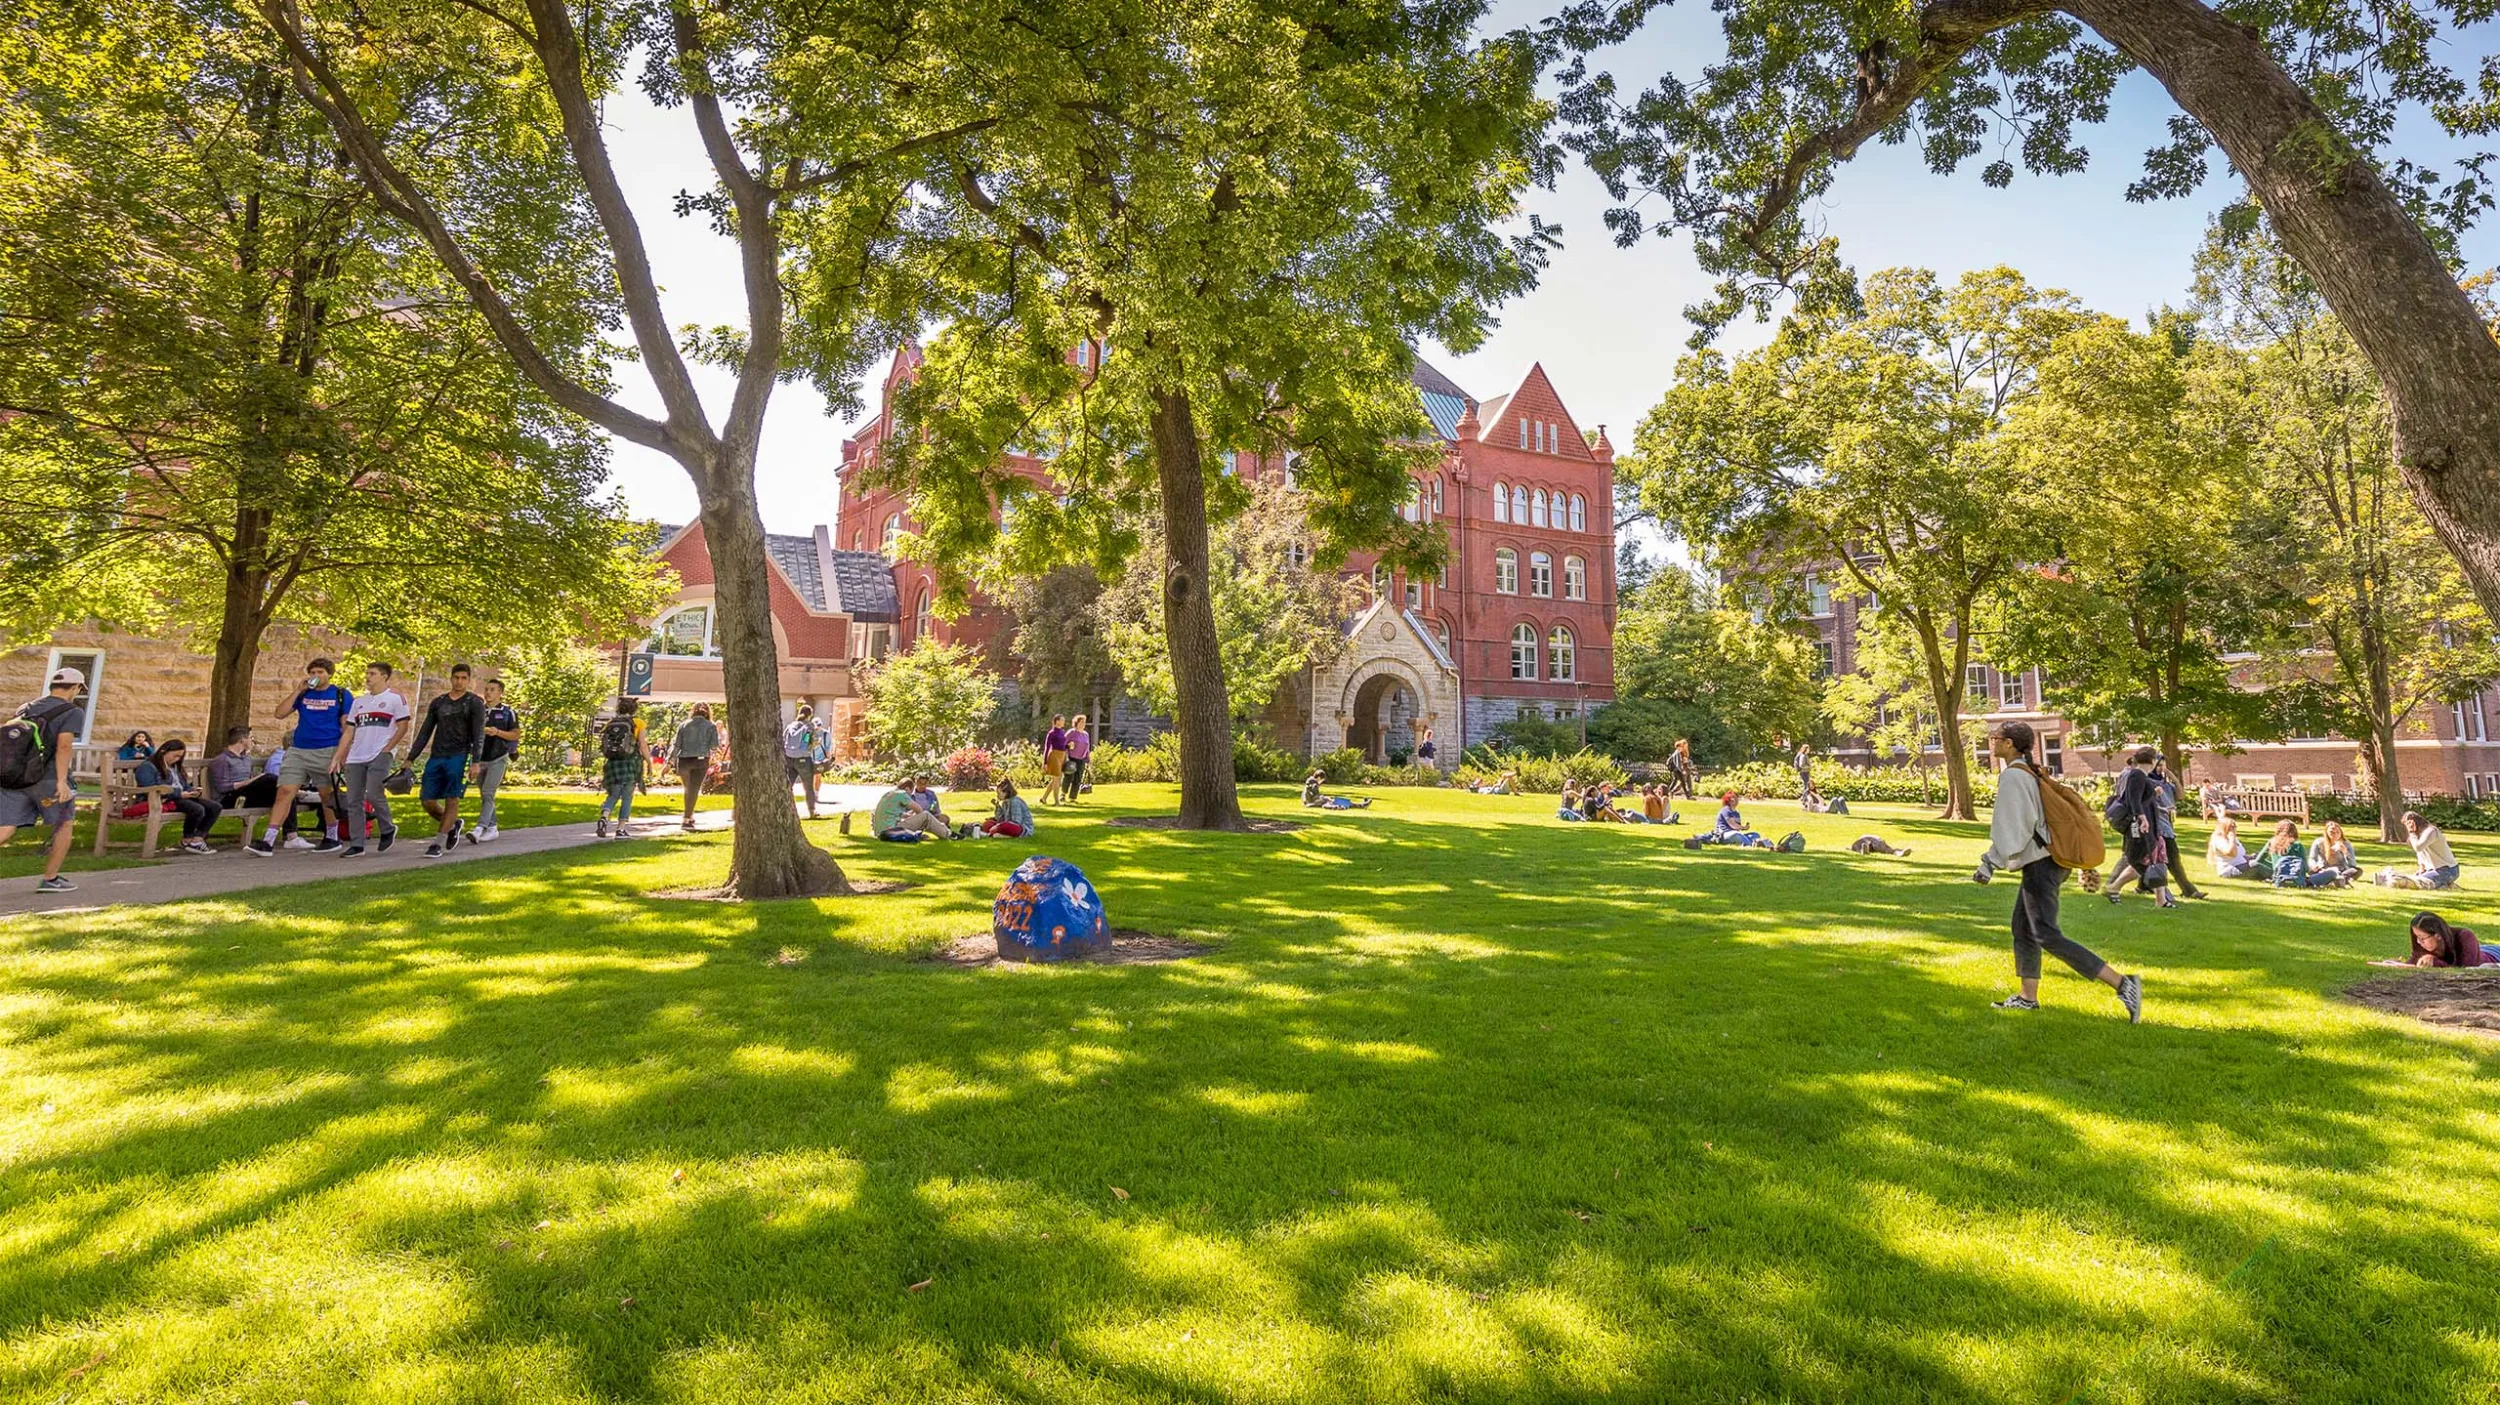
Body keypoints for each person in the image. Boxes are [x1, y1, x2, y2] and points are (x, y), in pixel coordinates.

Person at [1976, 720, 2143, 1021]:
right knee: (2023, 928)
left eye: (1996, 738)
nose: (1993, 742)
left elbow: (2013, 827)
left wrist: (1989, 864)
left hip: (2041, 864)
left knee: (2046, 934)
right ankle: (2028, 997)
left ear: (2010, 744)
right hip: (2047, 861)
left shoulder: (2014, 776)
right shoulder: (2030, 771)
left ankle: (2123, 983)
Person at [250, 658, 352, 856]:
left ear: (329, 674)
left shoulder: (341, 695)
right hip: (298, 749)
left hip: (327, 749)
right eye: (312, 672)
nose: (316, 676)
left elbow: (347, 727)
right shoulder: (304, 694)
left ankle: (331, 836)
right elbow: (279, 714)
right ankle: (268, 840)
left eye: (320, 672)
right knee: (285, 791)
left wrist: (341, 755)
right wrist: (298, 691)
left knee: (326, 795)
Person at [0, 666, 89, 891]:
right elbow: (64, 746)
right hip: (48, 779)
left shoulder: (26, 708)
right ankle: (50, 879)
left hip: (15, 777)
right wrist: (61, 781)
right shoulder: (72, 711)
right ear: (76, 688)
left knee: (6, 827)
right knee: (63, 823)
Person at [408, 663, 487, 858]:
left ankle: (438, 843)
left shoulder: (474, 702)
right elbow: (425, 730)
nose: (459, 681)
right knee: (427, 800)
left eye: (463, 678)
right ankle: (453, 824)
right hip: (437, 755)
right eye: (456, 677)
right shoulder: (439, 702)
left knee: (452, 797)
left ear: (468, 680)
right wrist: (411, 758)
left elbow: (478, 733)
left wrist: (475, 761)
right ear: (451, 679)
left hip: (459, 755)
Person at [334, 661, 410, 858]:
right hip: (356, 755)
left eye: (372, 673)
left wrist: (388, 748)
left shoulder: (395, 699)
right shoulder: (359, 702)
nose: (368, 677)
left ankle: (387, 827)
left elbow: (402, 726)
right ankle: (357, 844)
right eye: (367, 673)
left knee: (374, 793)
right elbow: (349, 730)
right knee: (354, 800)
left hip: (380, 753)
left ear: (384, 676)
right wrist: (338, 756)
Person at [2102, 747, 2177, 910]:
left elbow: (2140, 798)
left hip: (2149, 825)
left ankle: (2160, 900)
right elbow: (2134, 801)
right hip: (2142, 826)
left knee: (2153, 859)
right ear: (2152, 760)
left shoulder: (2141, 776)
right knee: (2144, 861)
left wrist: (2153, 793)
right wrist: (2142, 819)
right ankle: (2114, 887)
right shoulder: (2136, 775)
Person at [131, 738, 221, 854]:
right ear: (164, 751)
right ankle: (187, 839)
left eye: (179, 757)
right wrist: (179, 794)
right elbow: (150, 789)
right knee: (197, 809)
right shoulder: (147, 767)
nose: (176, 759)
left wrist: (192, 791)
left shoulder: (175, 767)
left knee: (215, 807)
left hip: (179, 797)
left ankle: (197, 840)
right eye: (175, 756)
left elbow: (183, 785)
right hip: (163, 800)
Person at [2148, 758, 2207, 900]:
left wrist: (2174, 778)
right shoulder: (2148, 783)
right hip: (2158, 826)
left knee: (2149, 860)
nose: (2161, 769)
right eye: (2158, 766)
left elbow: (2181, 795)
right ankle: (2189, 890)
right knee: (2172, 859)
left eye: (2163, 766)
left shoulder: (2167, 785)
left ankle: (2141, 886)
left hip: (2167, 824)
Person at [474, 676, 521, 843]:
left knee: (488, 792)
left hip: (499, 756)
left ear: (500, 693)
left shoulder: (508, 712)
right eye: (486, 689)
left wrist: (498, 732)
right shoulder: (479, 711)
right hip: (480, 758)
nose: (488, 692)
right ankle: (492, 827)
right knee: (485, 795)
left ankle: (479, 828)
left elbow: (515, 734)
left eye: (492, 690)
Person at [2375, 912, 2500, 967]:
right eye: (2417, 938)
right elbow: (2413, 962)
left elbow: (2467, 969)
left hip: (2492, 955)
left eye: (2422, 938)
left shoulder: (2464, 936)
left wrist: (2435, 962)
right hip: (2481, 949)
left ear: (2438, 935)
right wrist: (2395, 965)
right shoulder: (2423, 945)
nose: (2419, 942)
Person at [596, 700, 644, 837]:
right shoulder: (637, 723)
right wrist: (648, 761)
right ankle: (620, 829)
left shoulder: (611, 723)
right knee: (627, 797)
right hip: (629, 763)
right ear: (634, 709)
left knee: (613, 794)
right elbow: (642, 744)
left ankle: (604, 816)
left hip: (612, 763)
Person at [672, 703, 719, 831]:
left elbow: (677, 745)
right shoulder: (711, 726)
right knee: (694, 789)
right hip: (701, 760)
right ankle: (686, 818)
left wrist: (670, 761)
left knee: (688, 789)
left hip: (683, 760)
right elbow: (714, 745)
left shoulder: (683, 724)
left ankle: (689, 814)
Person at [2387, 810, 2462, 889]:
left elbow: (2418, 848)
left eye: (2408, 824)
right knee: (2417, 878)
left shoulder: (2431, 831)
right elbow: (2421, 853)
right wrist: (2421, 868)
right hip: (2434, 870)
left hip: (2448, 870)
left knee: (2418, 881)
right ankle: (2445, 886)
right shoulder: (2419, 835)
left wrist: (2411, 832)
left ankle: (2446, 885)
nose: (2407, 827)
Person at [2259, 818, 2343, 888]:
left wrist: (2274, 865)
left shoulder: (2271, 842)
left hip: (2278, 877)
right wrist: (2316, 870)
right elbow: (2306, 869)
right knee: (2332, 873)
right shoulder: (2297, 845)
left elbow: (2259, 860)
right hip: (2298, 879)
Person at [870, 775, 952, 840]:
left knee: (926, 818)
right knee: (926, 816)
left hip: (881, 832)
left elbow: (893, 814)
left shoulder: (889, 794)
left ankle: (939, 829)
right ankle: (948, 833)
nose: (910, 795)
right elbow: (920, 811)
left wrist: (908, 816)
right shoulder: (901, 794)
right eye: (910, 791)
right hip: (892, 830)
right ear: (907, 789)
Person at [782, 705, 821, 819]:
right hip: (803, 759)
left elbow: (784, 739)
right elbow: (810, 742)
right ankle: (812, 811)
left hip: (789, 758)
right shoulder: (809, 726)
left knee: (788, 786)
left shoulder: (790, 726)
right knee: (808, 787)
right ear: (810, 715)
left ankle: (784, 810)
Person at [1302, 769, 1371, 809]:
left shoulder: (1309, 781)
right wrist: (1322, 797)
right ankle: (1361, 805)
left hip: (1310, 801)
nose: (1321, 782)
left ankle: (1361, 805)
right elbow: (1315, 794)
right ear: (1319, 778)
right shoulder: (1314, 782)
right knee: (1335, 800)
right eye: (1322, 780)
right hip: (1313, 801)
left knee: (1332, 800)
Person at [1063, 714, 1093, 803]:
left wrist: (1088, 760)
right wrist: (1068, 747)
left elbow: (1087, 748)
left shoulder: (1086, 734)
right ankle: (1063, 795)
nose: (1083, 724)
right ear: (1077, 723)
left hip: (1081, 759)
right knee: (1069, 777)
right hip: (1071, 758)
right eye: (1082, 722)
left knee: (1077, 778)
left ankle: (1073, 798)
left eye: (1084, 722)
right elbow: (1063, 744)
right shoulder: (1071, 732)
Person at [1042, 715, 1069, 804]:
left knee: (1056, 779)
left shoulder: (1062, 732)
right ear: (1057, 721)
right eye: (1062, 720)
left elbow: (1062, 745)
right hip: (1054, 755)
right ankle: (1057, 802)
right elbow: (1047, 747)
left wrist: (1068, 746)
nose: (1064, 722)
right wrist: (1045, 762)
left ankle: (1044, 798)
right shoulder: (1052, 733)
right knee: (1057, 778)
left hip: (1062, 755)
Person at [1794, 740, 1821, 809]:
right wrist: (1809, 767)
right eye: (1808, 749)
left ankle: (1804, 798)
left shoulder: (1805, 755)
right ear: (1806, 749)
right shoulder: (1803, 756)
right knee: (1806, 786)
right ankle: (1804, 799)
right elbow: (1801, 765)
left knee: (1806, 786)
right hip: (1804, 772)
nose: (1809, 750)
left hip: (1805, 772)